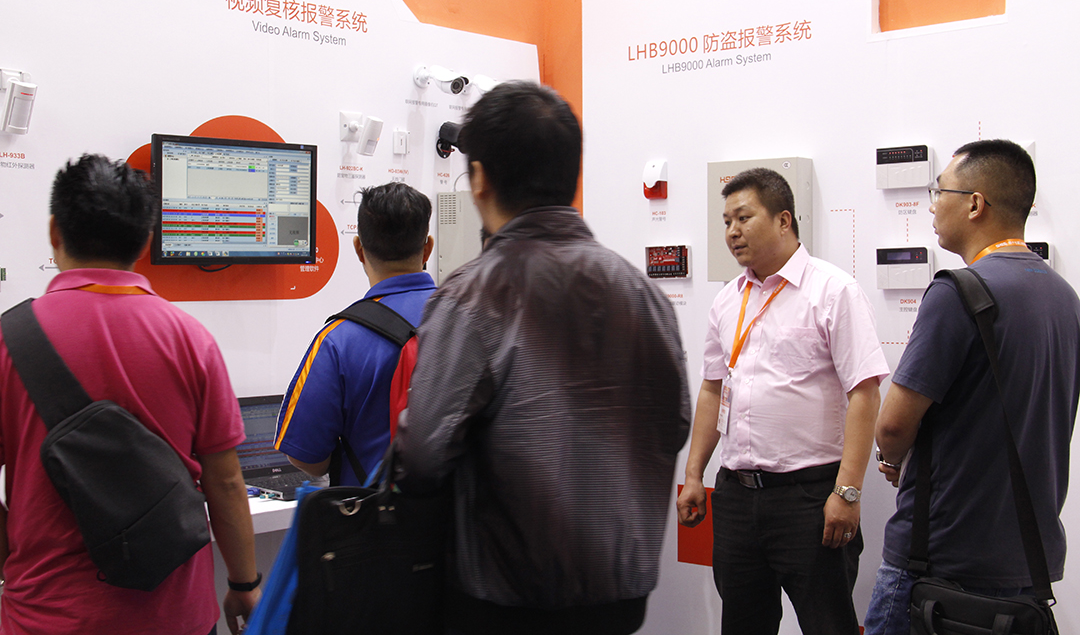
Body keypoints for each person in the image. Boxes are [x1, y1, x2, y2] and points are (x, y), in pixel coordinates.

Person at [395, 81, 691, 635]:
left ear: (479, 178)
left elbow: (424, 456)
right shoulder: (644, 293)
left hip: (505, 598)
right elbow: (674, 424)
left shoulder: (473, 294)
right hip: (620, 595)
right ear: (570, 173)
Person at [0, 154, 259, 635]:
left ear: (55, 231)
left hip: (45, 614)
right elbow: (225, 483)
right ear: (145, 240)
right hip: (174, 616)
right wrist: (245, 582)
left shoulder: (8, 341)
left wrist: (16, 555)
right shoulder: (190, 339)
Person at [863, 140, 1080, 634]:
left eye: (940, 192)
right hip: (1027, 562)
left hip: (940, 561)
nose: (932, 206)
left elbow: (892, 425)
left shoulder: (957, 292)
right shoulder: (1065, 298)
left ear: (975, 204)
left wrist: (891, 459)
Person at [676, 167, 888, 635]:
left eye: (743, 218)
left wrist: (847, 492)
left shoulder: (832, 291)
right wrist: (694, 475)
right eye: (726, 221)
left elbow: (865, 393)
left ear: (784, 220)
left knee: (827, 624)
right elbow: (712, 388)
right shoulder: (727, 300)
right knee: (743, 624)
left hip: (810, 498)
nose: (732, 232)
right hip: (736, 495)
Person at [275, 182, 435, 486]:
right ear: (427, 247)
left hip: (375, 511)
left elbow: (305, 455)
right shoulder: (471, 319)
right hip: (463, 511)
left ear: (359, 249)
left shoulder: (338, 340)